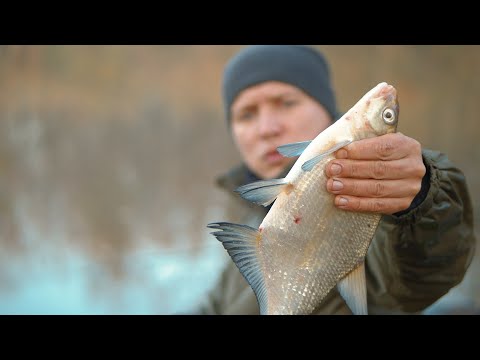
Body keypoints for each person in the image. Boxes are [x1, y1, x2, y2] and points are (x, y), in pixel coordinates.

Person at [196, 45, 476, 315]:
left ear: (329, 112)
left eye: (286, 103)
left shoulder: (376, 200)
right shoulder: (249, 224)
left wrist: (423, 198)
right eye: (247, 114)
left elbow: (420, 277)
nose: (267, 128)